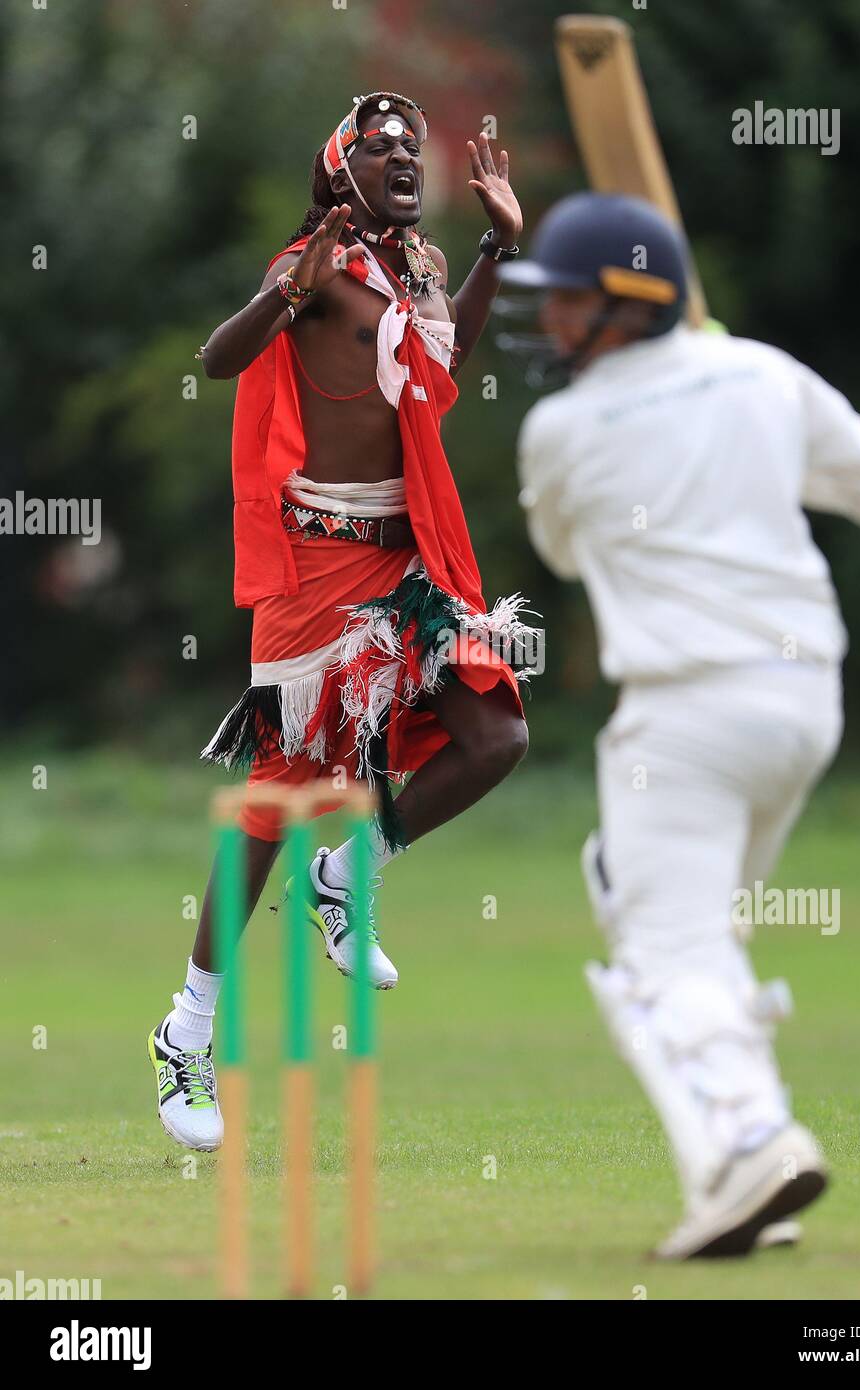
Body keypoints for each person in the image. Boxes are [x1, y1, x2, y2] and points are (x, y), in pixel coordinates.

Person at [499, 190, 860, 1258]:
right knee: (662, 916)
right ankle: (726, 1175)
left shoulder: (557, 431)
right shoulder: (762, 375)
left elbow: (558, 551)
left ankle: (750, 1138)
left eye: (566, 303)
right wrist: (739, 396)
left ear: (624, 305)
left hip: (685, 719)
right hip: (800, 703)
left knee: (667, 940)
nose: (548, 323)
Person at [149, 93, 535, 1152]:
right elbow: (218, 359)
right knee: (273, 805)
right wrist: (285, 294)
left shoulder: (415, 268)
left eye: (413, 146)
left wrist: (499, 252)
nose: (404, 157)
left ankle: (352, 866)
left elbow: (439, 373)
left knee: (496, 732)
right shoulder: (309, 267)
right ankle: (186, 1032)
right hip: (310, 559)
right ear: (339, 170)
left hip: (407, 559)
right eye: (379, 147)